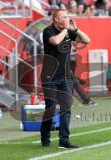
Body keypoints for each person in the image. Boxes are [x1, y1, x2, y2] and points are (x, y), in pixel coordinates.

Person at [40, 9, 90, 148]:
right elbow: (55, 41)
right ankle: (45, 138)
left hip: (65, 77)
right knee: (50, 108)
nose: (67, 19)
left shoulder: (68, 30)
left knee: (66, 108)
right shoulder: (48, 31)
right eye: (64, 17)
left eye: (67, 16)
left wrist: (76, 29)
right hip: (49, 77)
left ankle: (64, 140)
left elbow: (87, 40)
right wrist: (66, 30)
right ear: (56, 19)